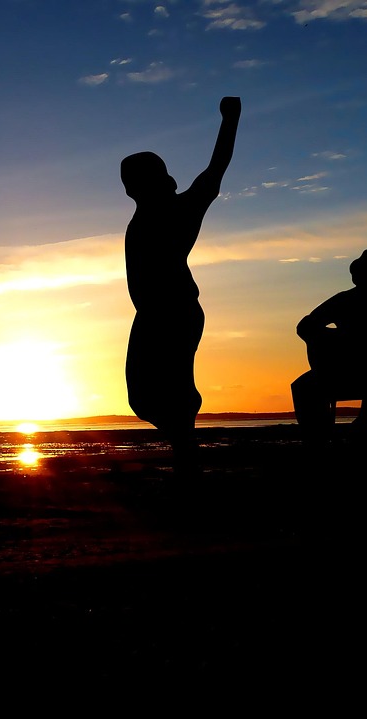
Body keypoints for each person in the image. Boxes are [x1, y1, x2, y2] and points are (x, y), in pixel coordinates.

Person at [121, 96, 241, 476]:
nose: (127, 187)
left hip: (174, 311)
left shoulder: (181, 208)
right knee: (143, 395)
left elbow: (217, 168)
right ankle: (185, 449)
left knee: (168, 391)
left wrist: (230, 120)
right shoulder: (147, 210)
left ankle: (187, 457)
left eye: (132, 179)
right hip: (152, 314)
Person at [290, 248, 367, 443]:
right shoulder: (345, 300)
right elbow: (306, 326)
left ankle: (353, 426)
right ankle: (320, 440)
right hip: (342, 373)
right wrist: (338, 338)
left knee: (305, 387)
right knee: (303, 386)